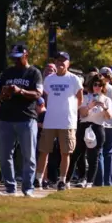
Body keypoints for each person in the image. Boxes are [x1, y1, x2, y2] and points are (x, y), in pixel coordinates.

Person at [0, 43, 43, 197]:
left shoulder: (34, 73)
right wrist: (5, 93)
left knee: (28, 156)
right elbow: (0, 94)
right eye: (13, 58)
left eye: (18, 58)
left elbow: (38, 94)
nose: (15, 61)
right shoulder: (7, 73)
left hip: (27, 119)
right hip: (6, 118)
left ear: (26, 55)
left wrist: (20, 91)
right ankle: (10, 188)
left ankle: (28, 188)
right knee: (4, 155)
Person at [35, 52, 83, 191]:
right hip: (50, 121)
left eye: (63, 61)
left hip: (67, 122)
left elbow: (79, 99)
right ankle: (38, 179)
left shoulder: (74, 79)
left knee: (65, 152)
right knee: (44, 150)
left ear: (68, 63)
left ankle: (62, 180)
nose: (60, 63)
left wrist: (72, 111)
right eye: (58, 60)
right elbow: (46, 95)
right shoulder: (49, 79)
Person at [64, 73, 110, 188]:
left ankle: (89, 182)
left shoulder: (106, 99)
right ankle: (67, 181)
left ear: (103, 87)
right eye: (95, 84)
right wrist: (90, 106)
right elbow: (82, 114)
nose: (97, 87)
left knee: (93, 157)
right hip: (84, 127)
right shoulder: (85, 97)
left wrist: (104, 107)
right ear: (91, 85)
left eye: (100, 85)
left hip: (98, 128)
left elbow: (109, 117)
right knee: (75, 154)